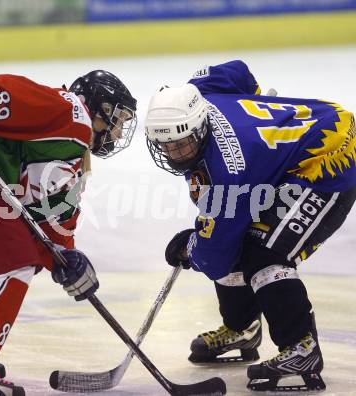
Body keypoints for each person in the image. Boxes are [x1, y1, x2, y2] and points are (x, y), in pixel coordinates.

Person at [0, 70, 137, 395]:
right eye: (118, 118)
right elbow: (17, 92)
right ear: (98, 106)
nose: (118, 131)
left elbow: (52, 219)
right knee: (12, 264)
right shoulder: (73, 112)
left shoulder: (75, 160)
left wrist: (66, 258)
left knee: (4, 263)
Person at [144, 60, 356, 392]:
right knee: (238, 237)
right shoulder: (195, 97)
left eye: (181, 144)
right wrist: (255, 103)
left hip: (329, 154)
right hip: (304, 138)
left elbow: (214, 254)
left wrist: (191, 247)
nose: (174, 153)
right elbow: (234, 71)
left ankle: (302, 350)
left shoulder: (226, 175)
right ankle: (242, 328)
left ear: (199, 129)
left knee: (263, 251)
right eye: (165, 145)